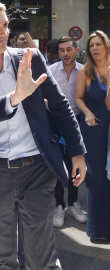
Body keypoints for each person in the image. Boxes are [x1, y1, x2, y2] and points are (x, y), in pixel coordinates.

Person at [0, 1, 86, 269]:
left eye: (5, 25)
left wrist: (77, 152)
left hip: (37, 168)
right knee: (3, 258)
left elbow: (60, 108)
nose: (4, 32)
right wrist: (14, 98)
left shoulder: (30, 58)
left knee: (42, 258)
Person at [75, 30, 110, 244]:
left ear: (106, 46)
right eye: (91, 45)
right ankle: (98, 230)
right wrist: (87, 112)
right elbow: (78, 98)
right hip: (94, 129)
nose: (94, 48)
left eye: (98, 44)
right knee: (96, 179)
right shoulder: (85, 72)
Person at [49, 36, 87, 228]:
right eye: (62, 50)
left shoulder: (84, 71)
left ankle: (73, 203)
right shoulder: (52, 70)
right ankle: (59, 205)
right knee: (58, 164)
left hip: (78, 122)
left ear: (76, 50)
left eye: (68, 50)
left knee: (76, 163)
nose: (65, 54)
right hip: (55, 123)